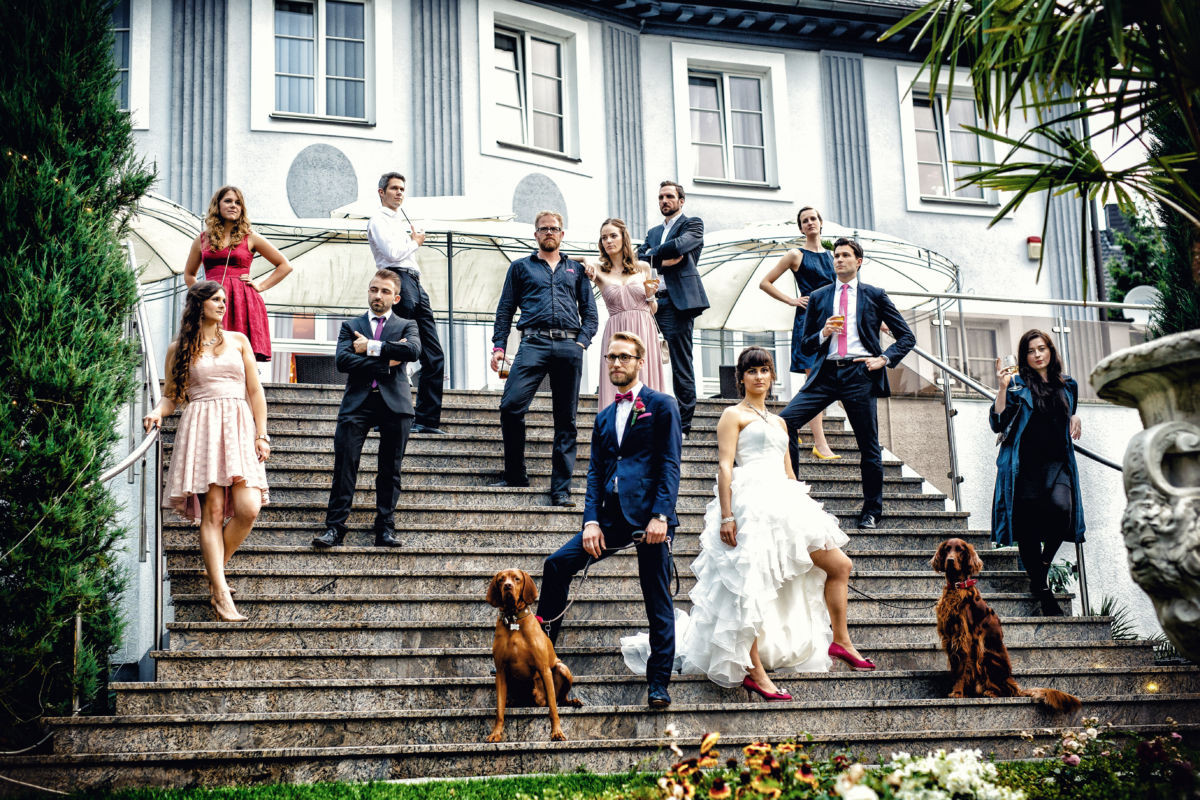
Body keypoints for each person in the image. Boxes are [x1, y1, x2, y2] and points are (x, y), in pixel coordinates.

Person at [622, 346, 873, 699]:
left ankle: (842, 641)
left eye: (765, 370)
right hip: (749, 502)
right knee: (748, 587)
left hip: (785, 501)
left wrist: (801, 508)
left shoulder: (782, 421)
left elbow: (788, 471)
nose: (759, 376)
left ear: (772, 376)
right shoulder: (732, 415)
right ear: (741, 378)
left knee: (840, 565)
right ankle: (753, 670)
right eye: (752, 370)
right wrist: (727, 514)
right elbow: (725, 466)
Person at [537, 332, 682, 708]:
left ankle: (658, 683)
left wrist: (661, 516)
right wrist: (590, 522)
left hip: (649, 520)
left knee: (657, 600)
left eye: (624, 357)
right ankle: (539, 658)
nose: (616, 364)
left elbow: (669, 464)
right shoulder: (603, 416)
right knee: (556, 566)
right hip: (610, 518)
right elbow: (595, 474)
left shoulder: (662, 405)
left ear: (640, 361)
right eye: (610, 358)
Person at [143, 280, 270, 622]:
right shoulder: (179, 348)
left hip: (240, 426)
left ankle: (215, 581)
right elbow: (172, 395)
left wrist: (263, 434)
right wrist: (158, 411)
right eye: (216, 299)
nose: (223, 304)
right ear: (198, 304)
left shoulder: (239, 341)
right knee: (213, 512)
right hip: (203, 425)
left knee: (249, 507)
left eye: (224, 299)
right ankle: (222, 594)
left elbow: (255, 392)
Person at [779, 238, 916, 530]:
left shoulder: (875, 295)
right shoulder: (818, 296)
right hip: (825, 374)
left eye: (845, 255)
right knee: (784, 422)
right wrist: (824, 333)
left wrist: (884, 359)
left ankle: (872, 511)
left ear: (858, 261)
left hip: (859, 374)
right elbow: (806, 343)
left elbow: (906, 336)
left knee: (869, 445)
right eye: (836, 256)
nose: (838, 260)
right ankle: (791, 495)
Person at [489, 211, 599, 507]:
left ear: (562, 235)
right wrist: (499, 346)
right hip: (533, 343)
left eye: (554, 229)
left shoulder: (576, 269)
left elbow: (590, 312)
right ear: (535, 234)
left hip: (568, 345)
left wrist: (582, 343)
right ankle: (515, 474)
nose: (549, 232)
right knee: (511, 406)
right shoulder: (520, 267)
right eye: (543, 229)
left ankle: (560, 490)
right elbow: (505, 310)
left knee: (567, 420)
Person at [312, 270, 422, 549]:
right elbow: (343, 361)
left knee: (390, 469)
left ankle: (384, 528)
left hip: (395, 404)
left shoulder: (407, 325)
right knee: (345, 465)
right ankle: (335, 528)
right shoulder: (351, 325)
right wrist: (387, 359)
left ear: (395, 297)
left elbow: (412, 352)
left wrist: (370, 347)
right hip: (357, 403)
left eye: (385, 291)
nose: (377, 295)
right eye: (374, 289)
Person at [990, 329, 1085, 616]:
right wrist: (1003, 387)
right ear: (1025, 357)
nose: (1037, 354)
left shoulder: (1068, 385)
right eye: (1031, 351)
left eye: (1041, 348)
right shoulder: (1018, 384)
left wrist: (1076, 416)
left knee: (1062, 509)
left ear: (1051, 350)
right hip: (1025, 465)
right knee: (1028, 530)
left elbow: (1069, 412)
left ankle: (1041, 568)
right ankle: (1043, 592)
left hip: (1057, 463)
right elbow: (997, 421)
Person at [368, 171, 446, 435]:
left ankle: (427, 419)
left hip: (414, 282)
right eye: (394, 188)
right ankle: (384, 413)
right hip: (396, 279)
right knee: (396, 348)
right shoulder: (378, 219)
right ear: (382, 192)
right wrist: (414, 242)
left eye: (402, 188)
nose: (400, 192)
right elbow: (392, 255)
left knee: (434, 354)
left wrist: (412, 241)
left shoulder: (399, 221)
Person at [758, 206, 839, 459]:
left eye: (813, 218)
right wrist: (792, 301)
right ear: (801, 227)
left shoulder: (833, 256)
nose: (810, 223)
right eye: (805, 221)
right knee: (814, 380)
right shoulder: (795, 254)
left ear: (821, 222)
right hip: (809, 321)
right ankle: (820, 443)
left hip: (833, 322)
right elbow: (765, 282)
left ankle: (797, 420)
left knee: (826, 378)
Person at [184, 186, 293, 362]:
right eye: (228, 201)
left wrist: (260, 286)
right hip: (212, 301)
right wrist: (199, 297)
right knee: (207, 351)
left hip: (242, 300)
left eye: (238, 203)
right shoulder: (203, 239)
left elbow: (285, 265)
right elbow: (189, 274)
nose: (233, 205)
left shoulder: (250, 237)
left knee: (240, 355)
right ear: (217, 205)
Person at [638, 181, 709, 437]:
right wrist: (662, 259)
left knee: (680, 362)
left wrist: (652, 256)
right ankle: (646, 413)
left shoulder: (693, 224)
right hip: (651, 301)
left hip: (678, 303)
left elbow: (680, 246)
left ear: (681, 200)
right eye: (660, 197)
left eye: (669, 196)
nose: (664, 201)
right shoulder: (654, 231)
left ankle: (685, 424)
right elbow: (638, 258)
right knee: (645, 358)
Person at [584, 217, 667, 409]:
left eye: (613, 236)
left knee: (645, 379)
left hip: (644, 330)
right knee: (617, 380)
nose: (609, 241)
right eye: (604, 238)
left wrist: (651, 296)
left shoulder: (643, 267)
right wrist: (587, 260)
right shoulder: (598, 270)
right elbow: (566, 258)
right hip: (616, 331)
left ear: (624, 238)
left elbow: (652, 309)